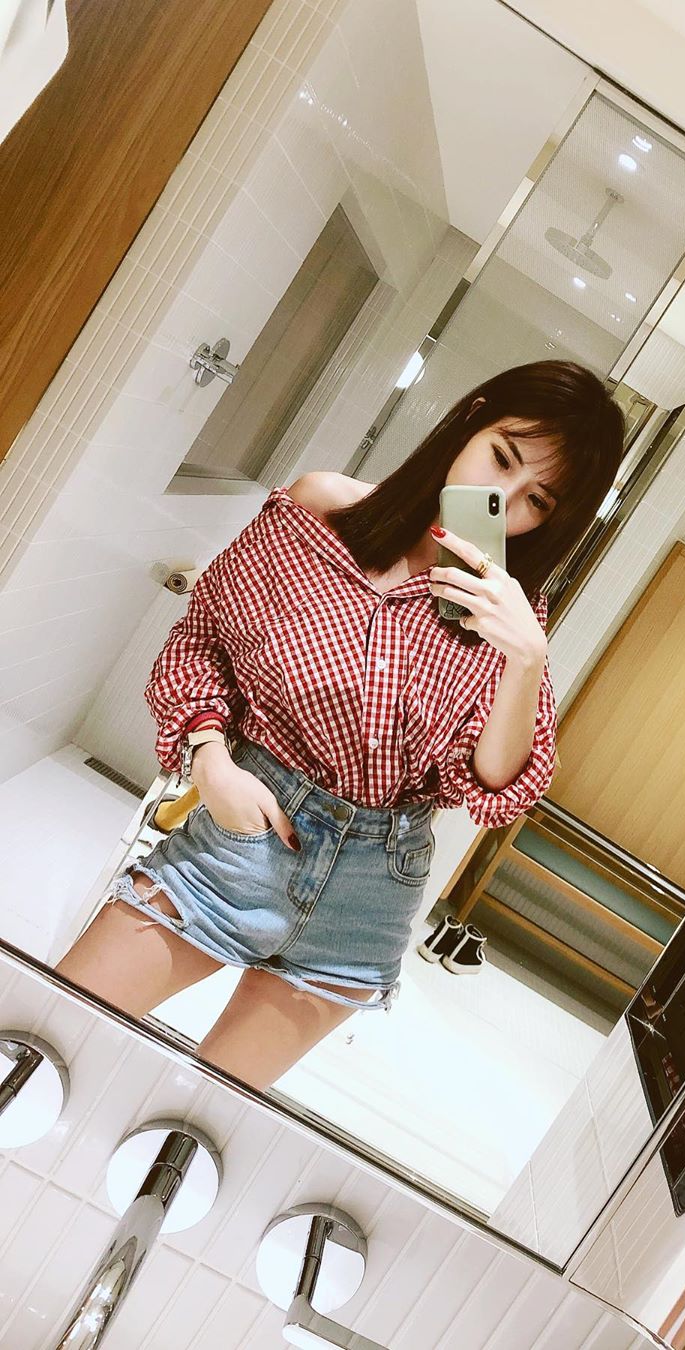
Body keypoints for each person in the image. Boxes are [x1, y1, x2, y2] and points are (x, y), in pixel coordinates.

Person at [56, 360, 625, 1088]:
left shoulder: (506, 614)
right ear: (470, 418)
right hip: (244, 838)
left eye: (536, 500)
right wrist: (210, 761)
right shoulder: (320, 512)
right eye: (502, 457)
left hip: (370, 889)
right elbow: (204, 638)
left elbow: (493, 789)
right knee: (44, 1028)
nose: (501, 500)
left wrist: (527, 659)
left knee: (196, 1119)